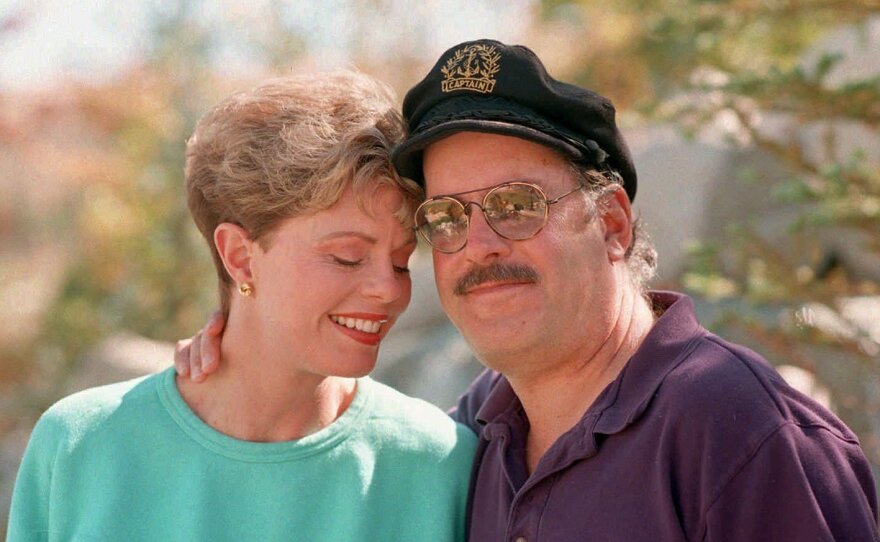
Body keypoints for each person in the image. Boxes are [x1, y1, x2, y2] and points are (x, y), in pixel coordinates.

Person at [176, 41, 880, 540]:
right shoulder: (475, 436)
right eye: (447, 218)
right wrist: (242, 352)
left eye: (516, 205)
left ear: (610, 223)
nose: (478, 246)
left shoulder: (743, 436)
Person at [7, 72, 476, 542]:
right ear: (239, 257)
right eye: (347, 256)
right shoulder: (78, 446)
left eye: (399, 261)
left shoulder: (437, 465)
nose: (388, 290)